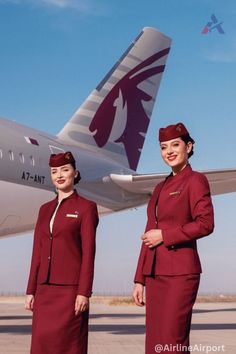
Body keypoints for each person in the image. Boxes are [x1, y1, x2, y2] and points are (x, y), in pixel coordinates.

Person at [133, 123, 214, 354]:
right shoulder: (159, 188)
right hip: (156, 275)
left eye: (175, 145)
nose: (168, 151)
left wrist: (165, 236)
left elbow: (205, 224)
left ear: (189, 147)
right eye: (163, 147)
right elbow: (149, 234)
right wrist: (140, 279)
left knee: (172, 342)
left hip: (181, 274)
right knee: (155, 344)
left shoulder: (196, 180)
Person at [25, 151, 99, 354]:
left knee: (69, 346)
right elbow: (37, 252)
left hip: (70, 292)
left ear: (75, 173)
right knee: (41, 345)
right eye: (54, 171)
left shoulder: (86, 208)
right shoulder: (44, 209)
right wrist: (31, 289)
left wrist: (84, 292)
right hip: (44, 290)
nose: (59, 175)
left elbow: (88, 254)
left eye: (65, 170)